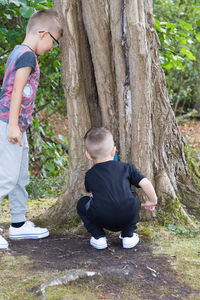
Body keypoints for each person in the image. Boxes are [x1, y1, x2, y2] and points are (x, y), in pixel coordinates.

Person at [0, 9, 63, 250]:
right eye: (54, 42)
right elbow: (16, 91)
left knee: (20, 177)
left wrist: (19, 126)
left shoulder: (19, 52)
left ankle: (17, 224)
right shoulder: (26, 56)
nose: (52, 47)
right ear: (43, 34)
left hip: (17, 125)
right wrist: (14, 125)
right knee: (6, 176)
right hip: (9, 123)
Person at [77, 127, 158, 250]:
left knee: (82, 203)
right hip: (127, 215)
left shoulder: (90, 174)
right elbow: (145, 183)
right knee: (132, 198)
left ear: (88, 155)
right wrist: (152, 201)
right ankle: (128, 236)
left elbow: (90, 191)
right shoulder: (127, 168)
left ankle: (98, 237)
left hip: (101, 217)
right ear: (114, 151)